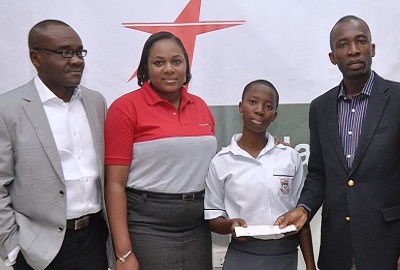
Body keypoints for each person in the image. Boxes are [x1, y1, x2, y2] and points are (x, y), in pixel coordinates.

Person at [275, 15, 400, 270]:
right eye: (343, 44)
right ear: (333, 57)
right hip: (337, 247)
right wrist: (304, 208)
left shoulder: (397, 98)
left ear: (372, 49)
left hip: (388, 245)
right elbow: (319, 174)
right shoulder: (320, 107)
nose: (353, 50)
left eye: (361, 41)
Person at [0, 20, 113, 269]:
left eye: (79, 52)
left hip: (95, 239)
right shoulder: (8, 109)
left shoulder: (95, 102)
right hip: (38, 249)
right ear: (35, 57)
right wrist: (12, 248)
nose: (76, 60)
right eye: (65, 52)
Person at [104, 31, 217, 270]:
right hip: (148, 226)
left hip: (197, 227)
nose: (169, 69)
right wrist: (123, 253)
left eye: (176, 61)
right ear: (144, 69)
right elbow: (114, 184)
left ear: (186, 66)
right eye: (158, 62)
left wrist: (271, 146)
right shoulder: (125, 108)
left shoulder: (200, 106)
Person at [204, 79, 316, 270]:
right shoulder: (221, 161)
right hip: (242, 254)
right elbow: (213, 218)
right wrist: (230, 225)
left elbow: (301, 216)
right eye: (253, 102)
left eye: (269, 106)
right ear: (241, 106)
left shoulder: (290, 157)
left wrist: (310, 265)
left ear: (275, 115)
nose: (260, 110)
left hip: (285, 254)